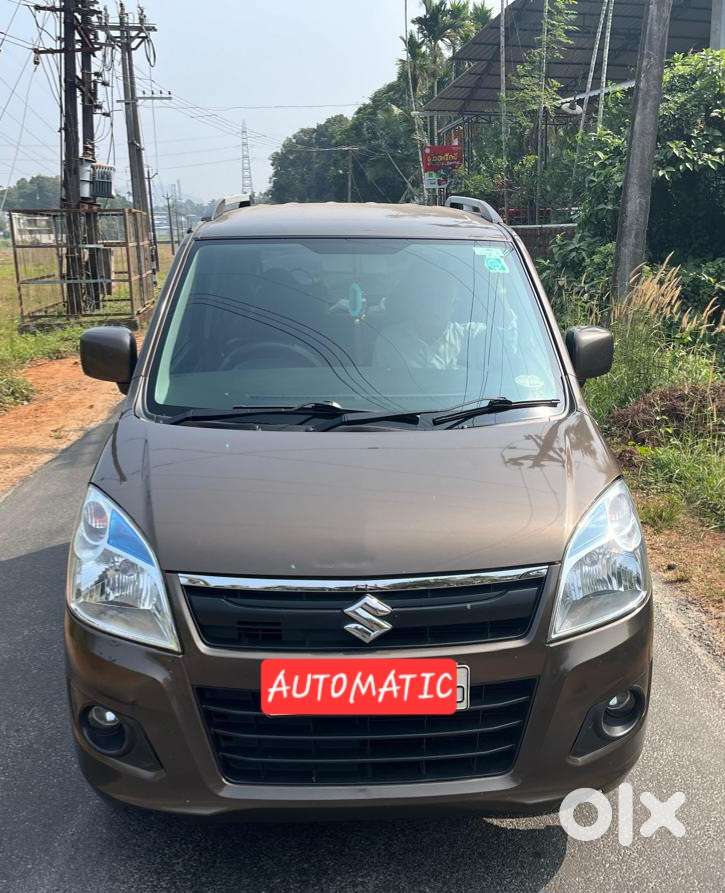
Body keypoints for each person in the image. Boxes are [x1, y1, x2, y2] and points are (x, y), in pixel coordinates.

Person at [373, 262, 517, 370]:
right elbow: (378, 387)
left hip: (469, 411)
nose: (433, 306)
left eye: (442, 299)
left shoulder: (470, 336)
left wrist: (499, 291)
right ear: (416, 301)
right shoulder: (390, 341)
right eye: (428, 298)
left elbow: (509, 342)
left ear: (454, 305)